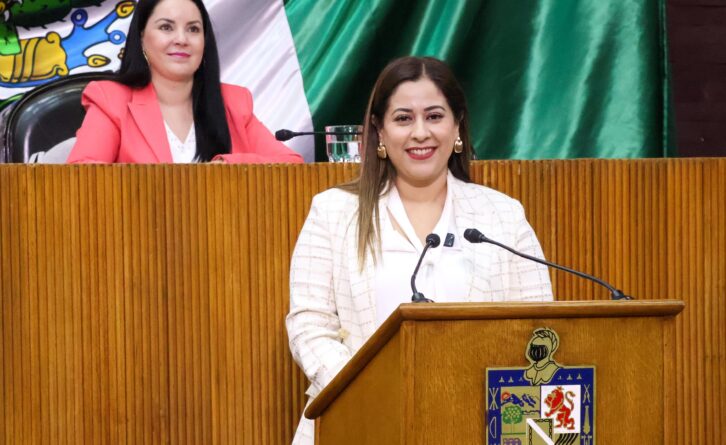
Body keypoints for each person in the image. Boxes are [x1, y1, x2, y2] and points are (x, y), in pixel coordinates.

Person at [285, 56, 554, 444]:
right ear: (379, 131)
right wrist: (369, 389)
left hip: (477, 425)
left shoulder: (503, 216)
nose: (420, 133)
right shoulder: (334, 212)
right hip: (359, 420)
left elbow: (538, 327)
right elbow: (309, 325)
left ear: (457, 126)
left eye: (434, 116)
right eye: (403, 119)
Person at [67, 0, 302, 164]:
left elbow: (291, 165)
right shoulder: (111, 100)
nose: (181, 39)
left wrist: (228, 167)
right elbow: (83, 177)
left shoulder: (233, 102)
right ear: (142, 37)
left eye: (193, 29)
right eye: (166, 27)